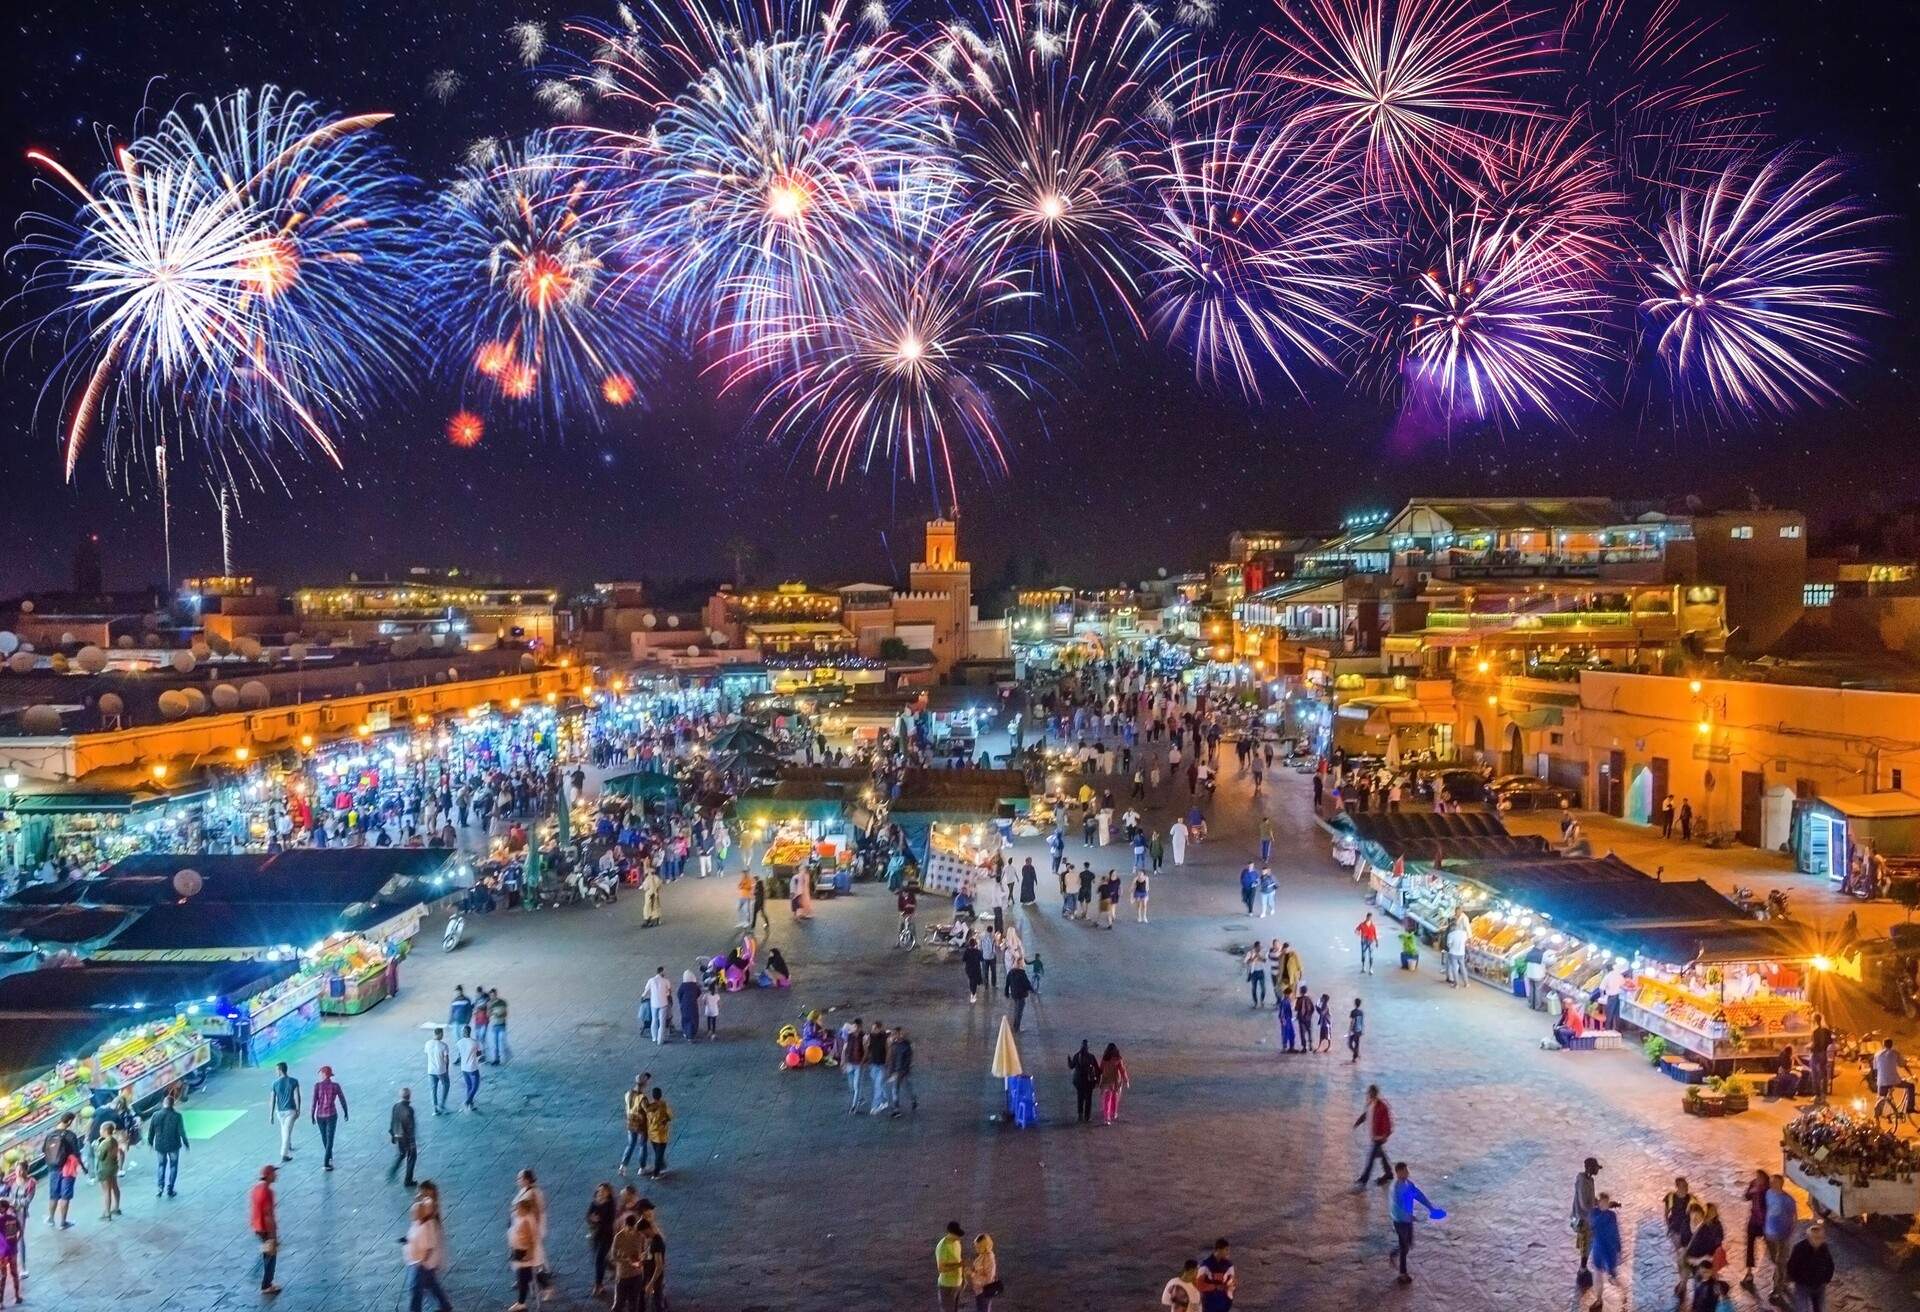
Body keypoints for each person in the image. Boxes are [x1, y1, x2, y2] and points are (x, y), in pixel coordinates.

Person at [1388, 1162, 1438, 1285]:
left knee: (1409, 1243)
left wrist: (1430, 1207)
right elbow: (1396, 1207)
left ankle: (1394, 1252)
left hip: (1407, 1220)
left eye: (1407, 1171)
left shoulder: (1408, 1184)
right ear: (1398, 1172)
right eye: (1404, 1171)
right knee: (1404, 1246)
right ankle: (1402, 1274)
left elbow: (1418, 1195)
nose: (1407, 1173)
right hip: (1399, 1221)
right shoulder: (1395, 1189)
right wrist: (1407, 1216)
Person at [404, 1193, 452, 1312]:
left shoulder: (425, 1228)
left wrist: (422, 1261)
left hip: (421, 1264)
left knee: (415, 1288)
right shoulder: (417, 1224)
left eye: (414, 1212)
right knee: (432, 1284)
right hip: (416, 1262)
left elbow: (429, 1248)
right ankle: (445, 1305)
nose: (411, 1214)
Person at [1763, 1172, 1799, 1306]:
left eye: (1774, 1182)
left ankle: (1777, 1288)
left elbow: (1795, 1217)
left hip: (1783, 1235)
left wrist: (1790, 1232)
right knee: (1774, 1259)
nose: (1771, 1184)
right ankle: (1783, 1275)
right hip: (1769, 1234)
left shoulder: (1787, 1200)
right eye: (1770, 1182)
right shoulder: (1768, 1194)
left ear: (1780, 1184)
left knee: (1780, 1262)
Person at [41, 1112, 82, 1229]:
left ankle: (51, 1218)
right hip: (67, 1170)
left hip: (53, 1168)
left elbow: (44, 1150)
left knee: (54, 1195)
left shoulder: (50, 1135)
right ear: (69, 1121)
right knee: (65, 1196)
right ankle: (63, 1222)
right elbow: (76, 1153)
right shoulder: (70, 1135)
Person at [507, 1195, 545, 1312]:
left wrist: (529, 1254)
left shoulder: (526, 1221)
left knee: (523, 1277)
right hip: (518, 1250)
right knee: (525, 1276)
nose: (515, 1210)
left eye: (518, 1208)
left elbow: (530, 1240)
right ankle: (545, 1283)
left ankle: (521, 1303)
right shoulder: (518, 1216)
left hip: (525, 1253)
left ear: (524, 1209)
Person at [1787, 1220, 1834, 1312]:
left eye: (1820, 1238)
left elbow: (1830, 1264)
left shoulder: (1824, 1248)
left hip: (1819, 1285)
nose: (1817, 1241)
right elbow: (1792, 1266)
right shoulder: (1799, 1249)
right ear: (1808, 1238)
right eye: (1815, 1238)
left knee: (1819, 1308)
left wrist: (1826, 1279)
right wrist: (1797, 1280)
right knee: (1802, 1308)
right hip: (1803, 1285)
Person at [1586, 1193, 1623, 1312]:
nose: (1605, 1204)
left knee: (1612, 1274)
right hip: (1599, 1246)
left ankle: (1622, 1295)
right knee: (1597, 1274)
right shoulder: (1594, 1213)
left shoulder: (1611, 1215)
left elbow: (1615, 1230)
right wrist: (1603, 1212)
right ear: (1600, 1202)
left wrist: (1618, 1245)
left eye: (1607, 1202)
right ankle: (1599, 1299)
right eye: (1603, 1202)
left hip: (1609, 1247)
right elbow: (1593, 1224)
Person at [149, 1093, 188, 1198]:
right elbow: (181, 1131)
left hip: (160, 1145)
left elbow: (151, 1130)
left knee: (161, 1165)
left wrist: (150, 1142)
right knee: (173, 1165)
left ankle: (160, 1187)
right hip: (174, 1144)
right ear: (173, 1104)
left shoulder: (156, 1115)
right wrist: (185, 1143)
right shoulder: (177, 1116)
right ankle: (170, 1188)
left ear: (163, 1104)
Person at [250, 1164, 281, 1295]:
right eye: (274, 1173)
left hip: (257, 1226)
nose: (276, 1175)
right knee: (271, 1255)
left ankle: (265, 1281)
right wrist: (273, 1235)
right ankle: (266, 1285)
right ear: (268, 1175)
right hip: (265, 1228)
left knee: (266, 1253)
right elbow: (268, 1214)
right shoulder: (267, 1192)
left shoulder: (256, 1188)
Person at [310, 1065, 348, 1170]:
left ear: (324, 1074)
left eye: (320, 1074)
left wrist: (312, 1115)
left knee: (324, 1138)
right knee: (330, 1139)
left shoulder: (317, 1086)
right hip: (332, 1115)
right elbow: (342, 1099)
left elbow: (314, 1102)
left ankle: (328, 1159)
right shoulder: (336, 1086)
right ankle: (327, 1160)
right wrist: (346, 1112)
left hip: (320, 1116)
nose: (320, 1076)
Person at [1353, 1086, 1393, 1186]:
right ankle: (1389, 1173)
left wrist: (1384, 1135)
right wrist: (1358, 1122)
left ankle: (1364, 1179)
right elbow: (1367, 1114)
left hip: (1378, 1137)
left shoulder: (1382, 1106)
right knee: (1381, 1155)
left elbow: (1386, 1122)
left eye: (1370, 1093)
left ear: (1374, 1093)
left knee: (1370, 1158)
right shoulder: (1371, 1104)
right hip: (1374, 1135)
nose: (1369, 1095)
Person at [1663, 1178, 1696, 1297]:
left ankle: (1683, 1284)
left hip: (1687, 1233)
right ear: (1677, 1186)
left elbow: (1696, 1216)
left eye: (1686, 1185)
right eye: (1683, 1185)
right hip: (1675, 1231)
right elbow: (1666, 1213)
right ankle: (1683, 1282)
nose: (1686, 1187)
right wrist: (1669, 1227)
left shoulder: (1692, 1199)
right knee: (1680, 1258)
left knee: (1683, 1258)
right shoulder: (1670, 1197)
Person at [1740, 1167, 1770, 1290]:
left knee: (1772, 1249)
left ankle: (1780, 1272)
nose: (1758, 1180)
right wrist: (1752, 1190)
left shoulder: (1768, 1190)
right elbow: (1746, 1197)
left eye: (1760, 1178)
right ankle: (1749, 1273)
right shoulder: (1753, 1184)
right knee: (1750, 1247)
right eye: (1757, 1177)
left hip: (1765, 1223)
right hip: (1753, 1221)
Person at [588, 1182, 618, 1297]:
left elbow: (609, 1220)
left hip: (606, 1235)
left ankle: (598, 1285)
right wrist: (592, 1219)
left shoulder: (610, 1204)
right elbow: (588, 1216)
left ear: (608, 1192)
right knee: (600, 1259)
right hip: (596, 1235)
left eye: (603, 1191)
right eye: (599, 1190)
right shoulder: (594, 1202)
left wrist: (597, 1220)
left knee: (598, 1260)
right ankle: (613, 1268)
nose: (601, 1192)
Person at [1571, 1156, 1601, 1275]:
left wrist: (1598, 1203)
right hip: (1583, 1219)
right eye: (1595, 1168)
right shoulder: (1583, 1182)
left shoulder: (1590, 1180)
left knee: (1588, 1243)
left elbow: (1590, 1199)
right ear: (1589, 1168)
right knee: (1586, 1244)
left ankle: (1583, 1268)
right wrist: (1595, 1208)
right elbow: (1584, 1204)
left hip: (1588, 1217)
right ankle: (1582, 1269)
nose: (1597, 1170)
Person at [267, 1061, 301, 1162]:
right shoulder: (294, 1081)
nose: (276, 1072)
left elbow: (272, 1100)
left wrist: (271, 1114)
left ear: (280, 1070)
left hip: (280, 1112)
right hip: (291, 1110)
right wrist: (298, 1109)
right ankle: (285, 1151)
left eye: (276, 1070)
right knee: (286, 1130)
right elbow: (297, 1096)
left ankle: (284, 1152)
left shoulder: (275, 1084)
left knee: (284, 1130)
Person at [1872, 1037, 1916, 1112]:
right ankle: (1910, 1108)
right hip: (1894, 1080)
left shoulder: (1877, 1054)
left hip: (1881, 1081)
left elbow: (1875, 1069)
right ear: (1892, 1045)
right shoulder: (1895, 1053)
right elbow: (1903, 1065)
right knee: (1911, 1086)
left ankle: (1878, 1115)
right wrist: (1911, 1074)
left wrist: (1878, 1079)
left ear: (1883, 1045)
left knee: (1881, 1098)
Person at [620, 1073, 652, 1174]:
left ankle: (623, 1166)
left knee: (631, 1144)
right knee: (642, 1144)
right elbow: (648, 1110)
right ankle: (642, 1167)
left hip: (630, 1121)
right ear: (645, 1083)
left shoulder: (628, 1093)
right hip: (641, 1124)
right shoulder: (643, 1098)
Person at [388, 1088, 419, 1187]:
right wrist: (412, 1141)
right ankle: (408, 1180)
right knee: (412, 1157)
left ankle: (393, 1170)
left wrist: (392, 1134)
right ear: (409, 1096)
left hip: (398, 1135)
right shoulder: (409, 1109)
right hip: (407, 1137)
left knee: (402, 1154)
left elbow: (393, 1121)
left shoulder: (395, 1106)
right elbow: (410, 1126)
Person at [1195, 1238, 1235, 1312]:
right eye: (1226, 1250)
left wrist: (1229, 1290)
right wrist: (1215, 1287)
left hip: (1224, 1303)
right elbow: (1198, 1284)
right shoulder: (1205, 1265)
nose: (1228, 1252)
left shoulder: (1229, 1265)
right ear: (1219, 1249)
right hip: (1209, 1303)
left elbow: (1233, 1283)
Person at [93, 1122, 123, 1219]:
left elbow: (100, 1157)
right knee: (115, 1187)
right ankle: (116, 1207)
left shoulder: (105, 1143)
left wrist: (96, 1148)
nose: (99, 1131)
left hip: (104, 1169)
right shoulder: (114, 1140)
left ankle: (107, 1212)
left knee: (106, 1191)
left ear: (105, 1131)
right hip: (113, 1167)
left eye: (101, 1129)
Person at [887, 1026, 918, 1117]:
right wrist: (891, 1071)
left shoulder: (907, 1046)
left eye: (895, 1034)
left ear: (900, 1034)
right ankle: (896, 1108)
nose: (894, 1036)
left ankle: (913, 1100)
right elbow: (892, 1059)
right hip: (897, 1071)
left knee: (907, 1088)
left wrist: (901, 1071)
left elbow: (908, 1061)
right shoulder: (893, 1045)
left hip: (903, 1072)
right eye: (893, 1034)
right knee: (895, 1090)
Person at [935, 1221, 966, 1312]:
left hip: (957, 1284)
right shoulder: (943, 1246)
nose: (959, 1237)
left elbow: (958, 1260)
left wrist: (963, 1277)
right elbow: (941, 1269)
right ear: (951, 1233)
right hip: (947, 1286)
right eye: (957, 1235)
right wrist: (960, 1265)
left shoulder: (957, 1243)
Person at [642, 1087, 672, 1178]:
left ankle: (661, 1167)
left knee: (657, 1152)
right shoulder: (663, 1105)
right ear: (660, 1095)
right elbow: (670, 1116)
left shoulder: (649, 1107)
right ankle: (656, 1173)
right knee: (659, 1154)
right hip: (661, 1134)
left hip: (652, 1133)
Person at [1098, 1043, 1131, 1124]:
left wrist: (1098, 1081)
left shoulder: (1105, 1058)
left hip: (1107, 1081)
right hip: (1116, 1081)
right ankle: (1113, 1113)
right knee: (1114, 1098)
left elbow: (1100, 1069)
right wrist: (1126, 1081)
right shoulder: (1118, 1059)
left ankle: (1107, 1117)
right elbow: (1122, 1070)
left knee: (1107, 1099)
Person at [424, 1028, 452, 1115]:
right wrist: (447, 1070)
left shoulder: (427, 1043)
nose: (443, 1036)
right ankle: (442, 1104)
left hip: (431, 1070)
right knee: (446, 1084)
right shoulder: (444, 1045)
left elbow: (427, 1054)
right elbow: (446, 1059)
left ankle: (435, 1109)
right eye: (442, 1034)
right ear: (439, 1034)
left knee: (433, 1089)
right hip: (441, 1070)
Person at [455, 1025, 483, 1111]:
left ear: (463, 1032)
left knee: (469, 1086)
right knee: (475, 1086)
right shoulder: (474, 1042)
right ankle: (468, 1101)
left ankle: (471, 1105)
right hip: (473, 1067)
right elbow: (479, 1053)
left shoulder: (459, 1043)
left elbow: (460, 1054)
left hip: (464, 1068)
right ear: (470, 1032)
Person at [969, 1234, 999, 1312]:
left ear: (986, 1246)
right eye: (976, 1246)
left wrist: (972, 1274)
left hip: (984, 1291)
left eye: (979, 1247)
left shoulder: (988, 1257)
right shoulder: (983, 1255)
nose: (976, 1249)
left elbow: (988, 1280)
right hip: (979, 1291)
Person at [843, 1019, 868, 1113]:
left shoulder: (864, 1037)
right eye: (854, 1027)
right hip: (850, 1063)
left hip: (858, 1064)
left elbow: (866, 1051)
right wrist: (844, 1061)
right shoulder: (850, 1036)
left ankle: (854, 1106)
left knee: (856, 1085)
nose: (855, 1029)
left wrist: (862, 1062)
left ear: (860, 1027)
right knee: (851, 1086)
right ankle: (860, 1098)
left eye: (856, 1027)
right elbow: (846, 1048)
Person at [643, 967, 673, 1046]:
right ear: (661, 972)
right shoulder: (666, 981)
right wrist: (665, 994)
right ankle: (660, 1040)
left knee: (654, 1020)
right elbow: (669, 992)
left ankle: (654, 1037)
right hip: (663, 1003)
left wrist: (642, 996)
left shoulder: (651, 980)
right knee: (662, 1022)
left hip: (654, 1003)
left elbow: (646, 990)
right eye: (664, 972)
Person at [0, 1200, 20, 1306]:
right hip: (13, 1250)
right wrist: (16, 1241)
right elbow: (20, 1230)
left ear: (3, 1208)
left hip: (2, 1252)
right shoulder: (14, 1218)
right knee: (14, 1274)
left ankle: (1, 1302)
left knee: (3, 1276)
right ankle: (17, 1296)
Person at [1005, 962, 1033, 1032]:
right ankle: (1017, 1028)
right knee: (1019, 1012)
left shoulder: (1010, 973)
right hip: (1021, 995)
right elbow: (1027, 984)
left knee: (1016, 1010)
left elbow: (1007, 983)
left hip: (1014, 994)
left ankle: (1015, 1026)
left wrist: (1006, 993)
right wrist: (1032, 990)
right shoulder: (1022, 974)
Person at [1245, 943, 1268, 1008]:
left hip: (1261, 972)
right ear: (1255, 947)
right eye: (1258, 947)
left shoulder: (1262, 952)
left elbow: (1265, 960)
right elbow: (1246, 961)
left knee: (1263, 989)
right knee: (1254, 989)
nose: (1259, 948)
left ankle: (1262, 1000)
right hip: (1253, 973)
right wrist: (1254, 957)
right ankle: (1255, 1002)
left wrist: (1259, 956)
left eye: (1260, 947)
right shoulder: (1250, 953)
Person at [963, 934, 985, 1004]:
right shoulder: (978, 952)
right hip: (976, 969)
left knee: (971, 981)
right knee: (974, 982)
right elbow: (982, 959)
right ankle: (973, 994)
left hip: (969, 969)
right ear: (975, 944)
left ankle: (972, 993)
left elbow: (963, 959)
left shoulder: (967, 951)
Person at [1347, 998, 1365, 1063]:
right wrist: (1362, 1030)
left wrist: (1349, 1031)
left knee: (1349, 1044)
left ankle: (1356, 1055)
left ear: (1355, 1003)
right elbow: (1362, 1022)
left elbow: (1352, 1021)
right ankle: (1355, 1057)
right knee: (1357, 1044)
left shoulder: (1353, 1012)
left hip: (1354, 1031)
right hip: (1359, 1030)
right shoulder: (1361, 1012)